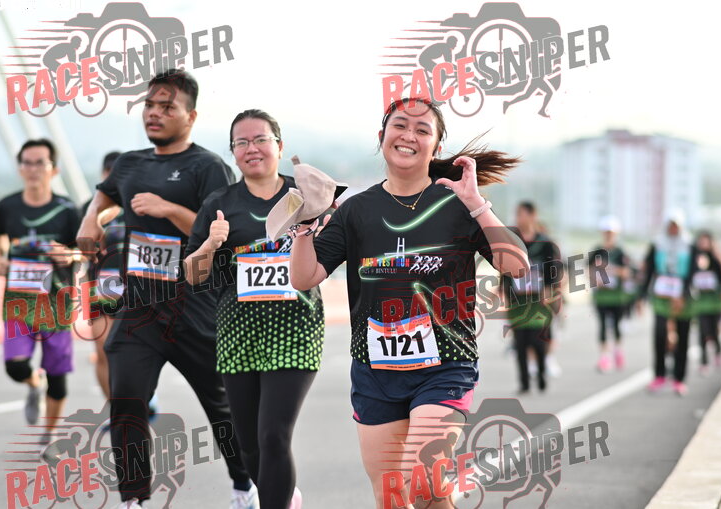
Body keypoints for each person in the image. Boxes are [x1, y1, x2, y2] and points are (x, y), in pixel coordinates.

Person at [289, 97, 528, 508]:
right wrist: (304, 229)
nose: (409, 136)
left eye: (422, 130)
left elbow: (517, 266)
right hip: (375, 371)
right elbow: (304, 277)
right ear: (382, 136)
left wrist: (477, 204)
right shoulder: (356, 210)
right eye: (400, 125)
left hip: (445, 364)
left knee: (423, 482)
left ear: (436, 147)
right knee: (391, 496)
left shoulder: (458, 206)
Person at [77, 69, 254, 509]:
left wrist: (168, 209)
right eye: (150, 106)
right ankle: (134, 499)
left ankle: (245, 486)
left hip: (195, 308)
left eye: (167, 107)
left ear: (190, 116)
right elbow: (105, 196)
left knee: (223, 409)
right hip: (139, 309)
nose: (154, 114)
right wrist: (91, 220)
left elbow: (221, 234)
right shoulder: (130, 163)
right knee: (126, 403)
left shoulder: (207, 167)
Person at [184, 109, 326, 509]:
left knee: (273, 435)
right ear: (232, 152)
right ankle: (283, 495)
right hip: (238, 332)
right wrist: (211, 244)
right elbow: (193, 276)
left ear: (279, 146)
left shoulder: (305, 197)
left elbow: (332, 254)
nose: (252, 149)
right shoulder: (219, 204)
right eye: (242, 142)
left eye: (261, 139)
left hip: (296, 329)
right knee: (248, 445)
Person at [0, 138, 81, 441]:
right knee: (15, 367)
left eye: (40, 163)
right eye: (27, 163)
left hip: (56, 302)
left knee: (57, 376)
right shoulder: (7, 206)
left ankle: (50, 435)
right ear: (20, 169)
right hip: (18, 300)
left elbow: (84, 251)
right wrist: (0, 259)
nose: (33, 169)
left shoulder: (67, 210)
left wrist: (70, 255)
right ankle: (33, 383)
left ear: (53, 169)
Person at [502, 202, 563, 393]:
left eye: (521, 214)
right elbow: (503, 267)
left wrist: (549, 289)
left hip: (539, 300)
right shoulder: (512, 242)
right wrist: (503, 291)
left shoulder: (545, 243)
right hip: (518, 300)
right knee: (520, 343)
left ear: (532, 215)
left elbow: (554, 269)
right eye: (517, 214)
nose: (518, 218)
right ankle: (524, 382)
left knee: (538, 340)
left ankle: (542, 373)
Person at [80, 151, 124, 400]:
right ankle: (115, 407)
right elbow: (77, 248)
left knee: (132, 350)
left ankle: (141, 396)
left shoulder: (140, 206)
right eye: (109, 174)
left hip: (136, 285)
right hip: (100, 285)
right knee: (102, 347)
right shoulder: (89, 208)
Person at [638, 210, 695, 396]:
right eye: (671, 225)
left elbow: (694, 271)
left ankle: (679, 379)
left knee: (682, 336)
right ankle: (659, 375)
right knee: (660, 335)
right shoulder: (657, 244)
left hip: (683, 297)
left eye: (676, 226)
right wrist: (641, 296)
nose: (673, 229)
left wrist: (684, 293)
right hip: (661, 296)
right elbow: (649, 270)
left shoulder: (689, 244)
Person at [588, 216, 630, 372]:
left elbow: (627, 272)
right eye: (606, 232)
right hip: (601, 296)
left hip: (617, 296)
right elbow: (588, 270)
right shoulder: (596, 251)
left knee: (617, 325)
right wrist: (595, 278)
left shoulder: (620, 252)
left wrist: (612, 269)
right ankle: (604, 357)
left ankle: (618, 350)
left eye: (611, 232)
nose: (608, 235)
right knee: (603, 326)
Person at [688, 230, 721, 375]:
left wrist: (718, 256)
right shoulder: (694, 258)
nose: (703, 244)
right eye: (701, 241)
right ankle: (704, 362)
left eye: (706, 241)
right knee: (702, 332)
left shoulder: (716, 259)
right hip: (700, 302)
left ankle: (718, 352)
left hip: (715, 302)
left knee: (714, 331)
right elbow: (689, 276)